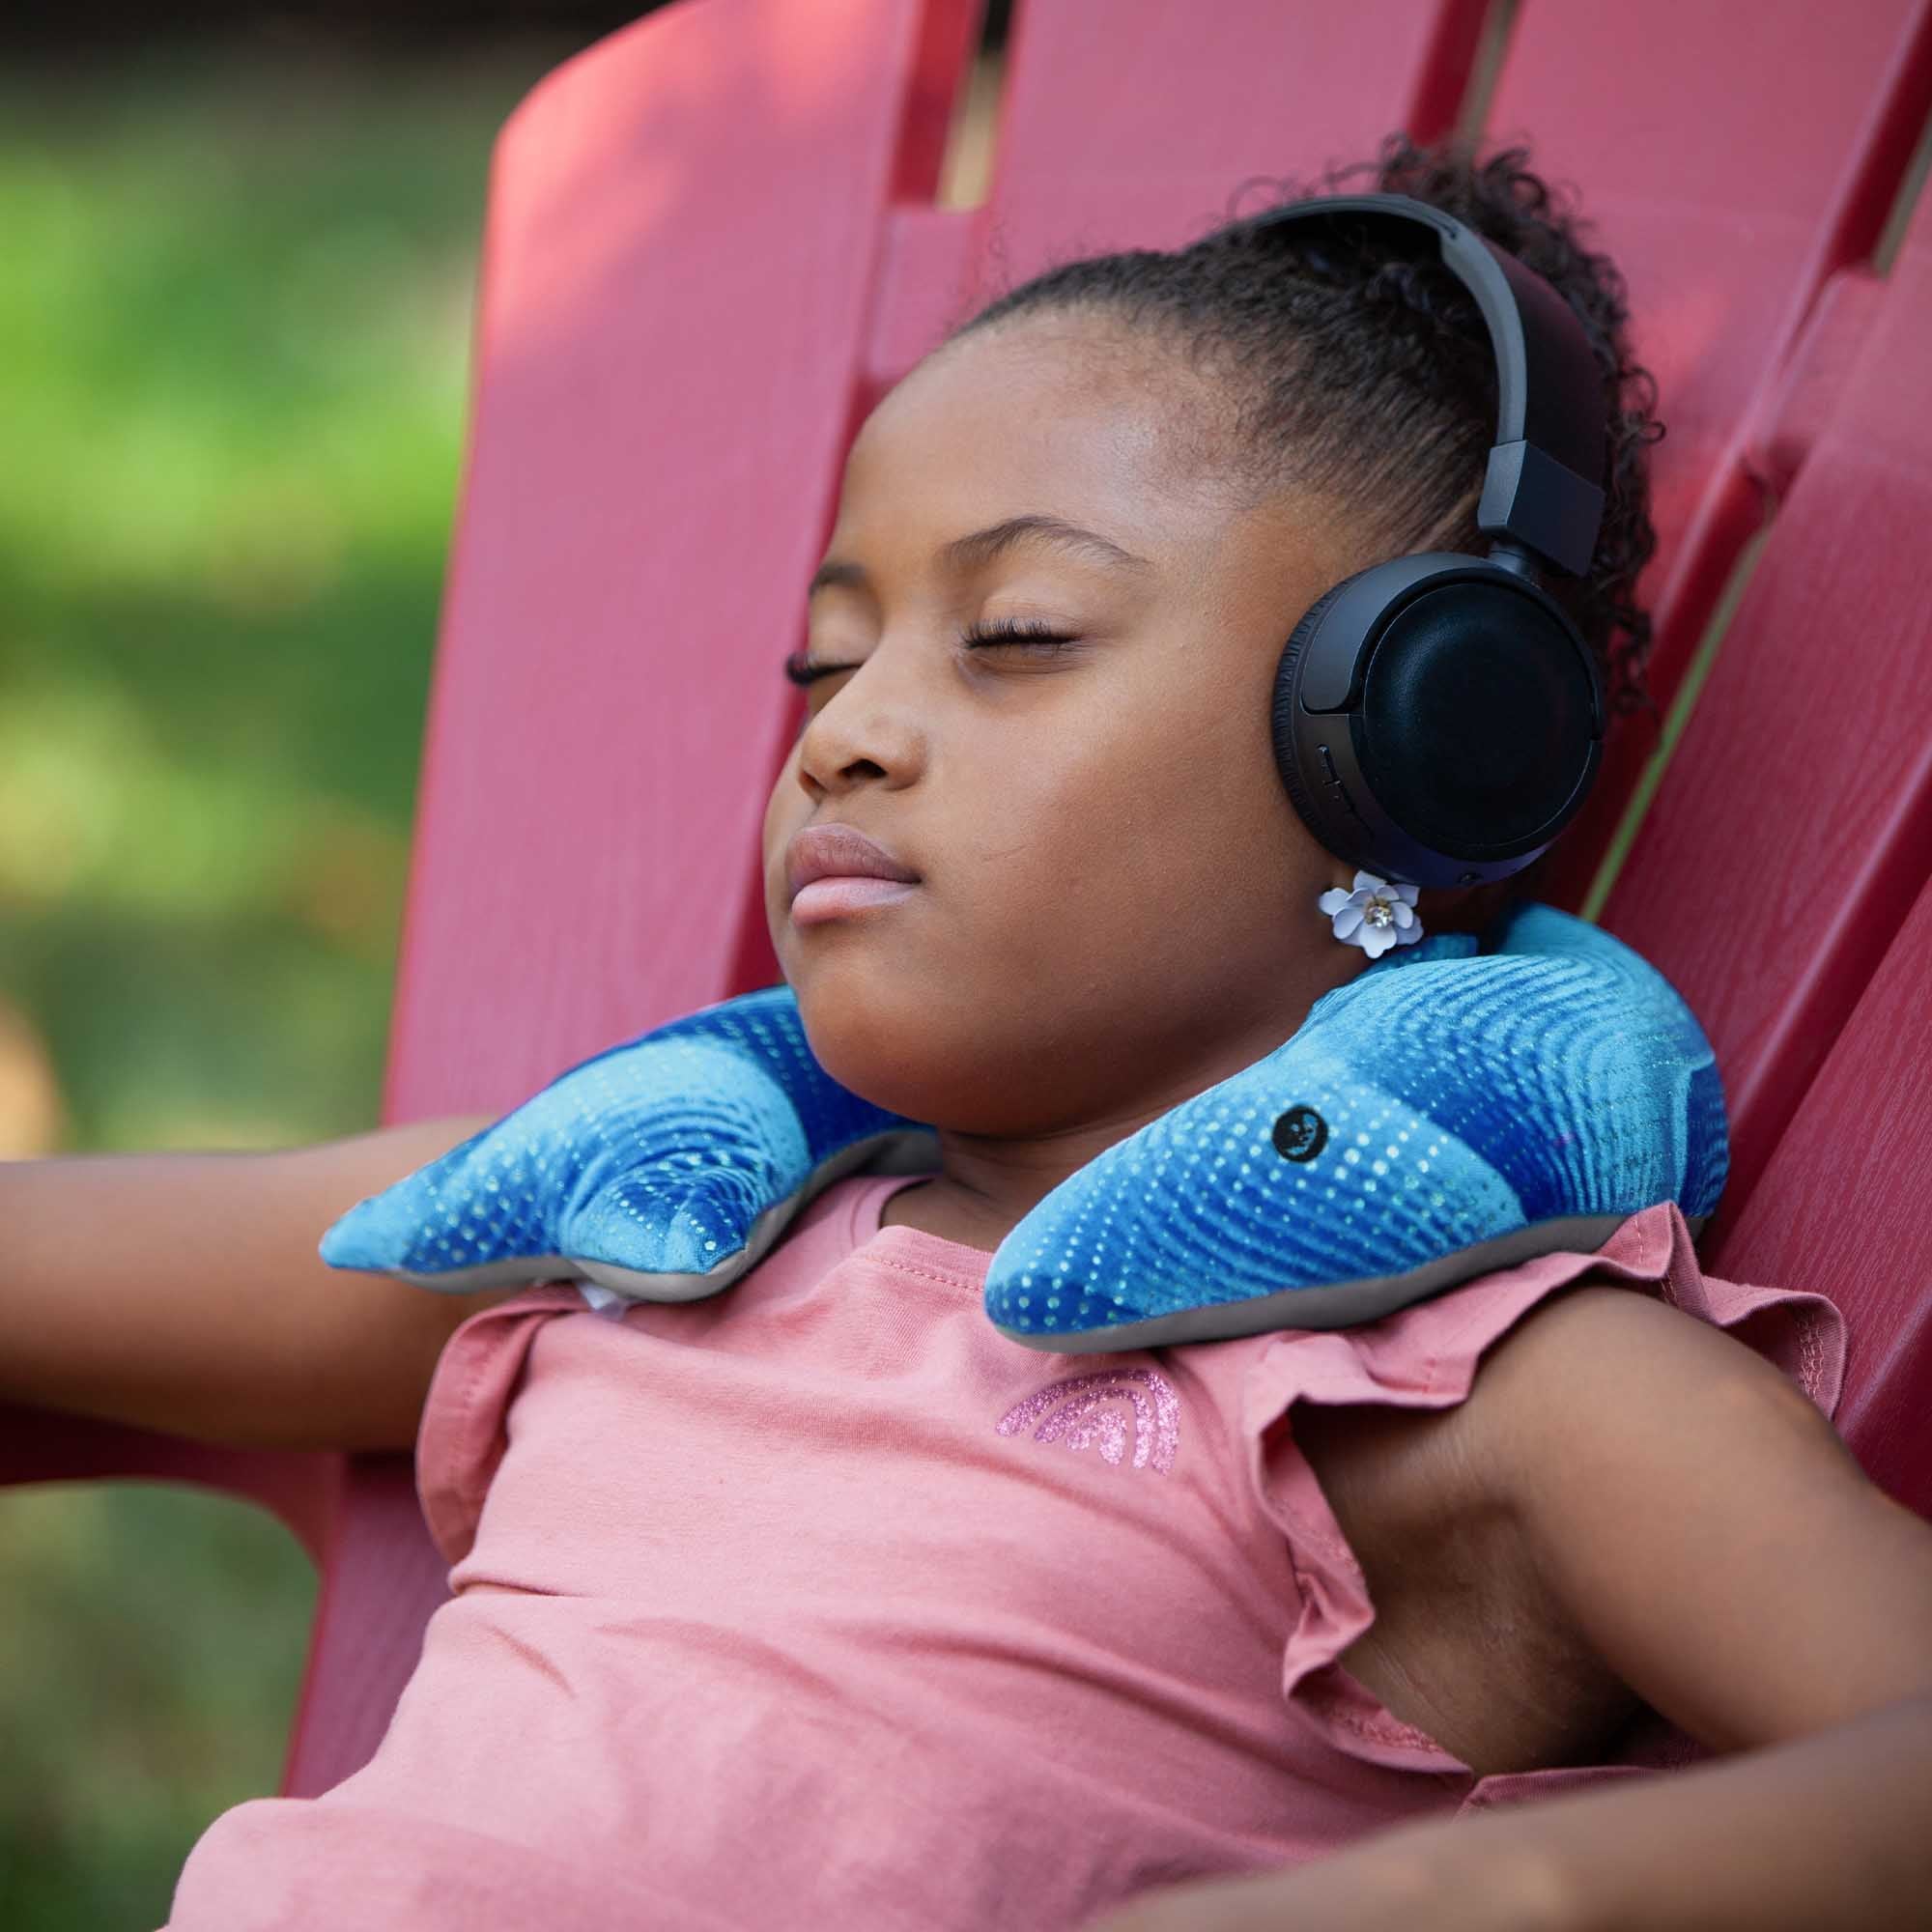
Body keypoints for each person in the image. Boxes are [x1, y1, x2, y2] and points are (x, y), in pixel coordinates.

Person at [8, 135, 1931, 1932]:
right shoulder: (650, 1234)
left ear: (1420, 744)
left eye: (1013, 636)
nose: (844, 731)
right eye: (825, 659)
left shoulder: (1472, 1385)